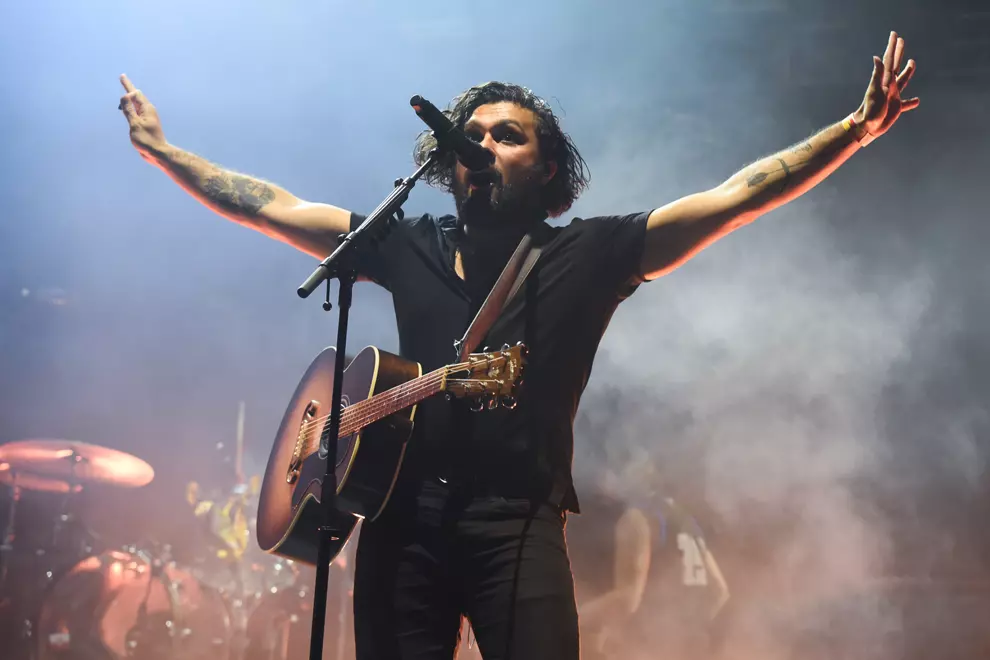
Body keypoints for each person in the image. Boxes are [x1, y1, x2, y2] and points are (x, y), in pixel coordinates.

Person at [117, 31, 918, 660]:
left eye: (508, 136)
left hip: (517, 524)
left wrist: (853, 133)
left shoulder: (590, 253)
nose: (484, 148)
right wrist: (163, 153)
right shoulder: (408, 242)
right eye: (471, 137)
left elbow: (735, 199)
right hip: (399, 521)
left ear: (547, 169)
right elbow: (270, 205)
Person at [565, 473, 730, 660]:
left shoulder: (638, 517)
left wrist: (572, 620)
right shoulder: (685, 522)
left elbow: (628, 597)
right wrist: (687, 631)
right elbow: (718, 591)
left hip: (650, 645)